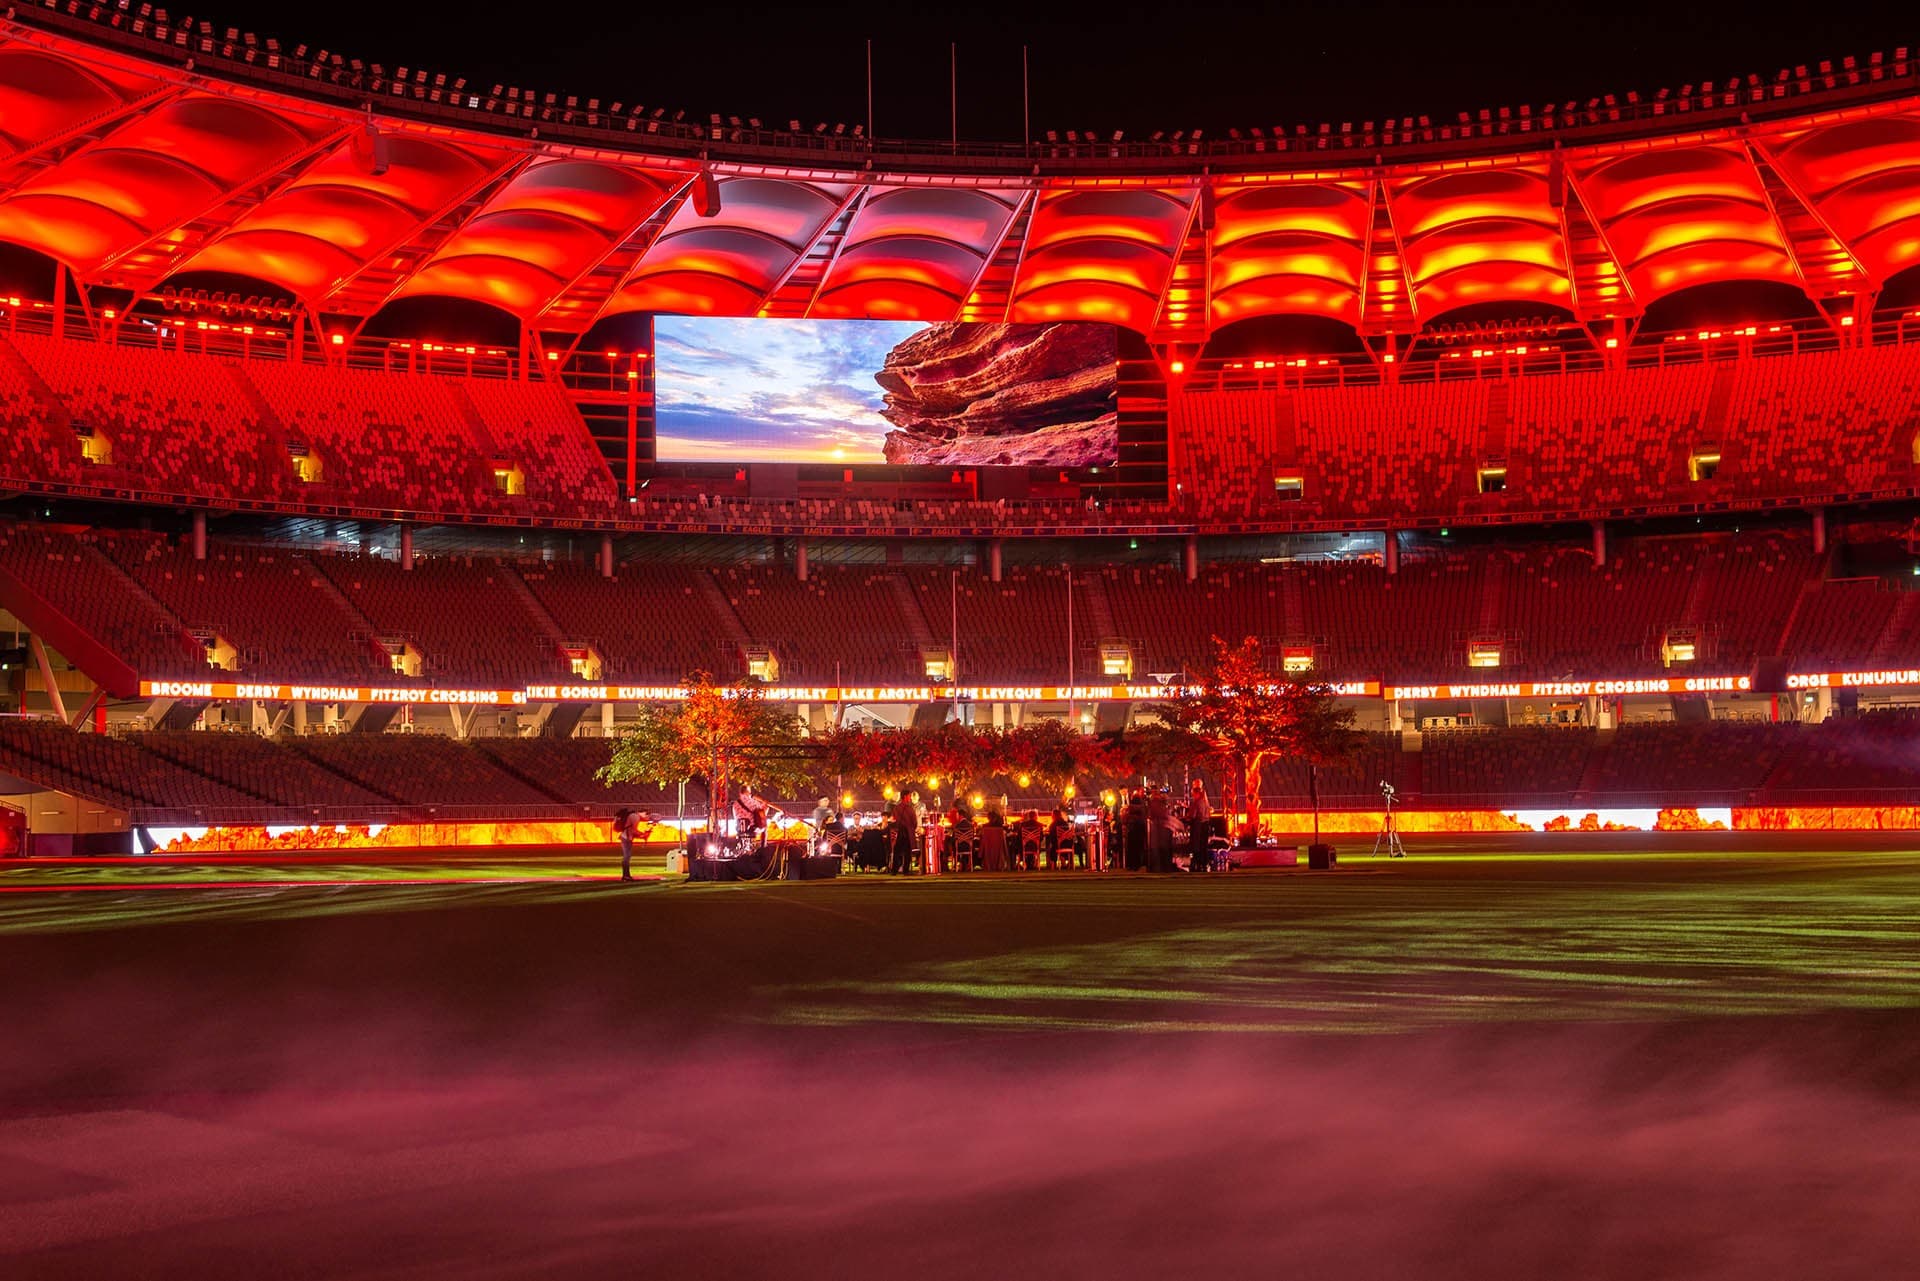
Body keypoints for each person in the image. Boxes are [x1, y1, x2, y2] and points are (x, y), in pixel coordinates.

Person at [889, 790, 919, 875]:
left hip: (899, 831)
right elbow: (914, 821)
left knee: (897, 851)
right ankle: (905, 870)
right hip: (908, 832)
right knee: (907, 852)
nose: (910, 798)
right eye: (909, 796)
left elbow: (894, 819)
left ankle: (894, 870)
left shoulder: (896, 808)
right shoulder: (909, 808)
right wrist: (911, 828)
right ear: (905, 796)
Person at [1187, 780, 1213, 872]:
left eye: (1193, 793)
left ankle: (1195, 864)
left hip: (1198, 826)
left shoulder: (1197, 802)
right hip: (1205, 825)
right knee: (1204, 846)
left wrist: (1187, 817)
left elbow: (1192, 816)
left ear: (1196, 792)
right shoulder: (1206, 802)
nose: (1192, 795)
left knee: (1196, 846)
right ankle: (1204, 864)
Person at [612, 806, 643, 882]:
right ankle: (626, 876)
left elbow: (631, 830)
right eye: (647, 815)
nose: (647, 817)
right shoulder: (636, 817)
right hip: (626, 838)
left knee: (626, 857)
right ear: (643, 813)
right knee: (626, 857)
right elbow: (633, 831)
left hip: (625, 837)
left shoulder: (633, 816)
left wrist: (640, 835)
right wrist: (642, 834)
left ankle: (626, 875)